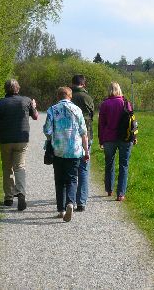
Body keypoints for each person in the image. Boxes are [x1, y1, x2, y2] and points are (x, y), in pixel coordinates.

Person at [0, 79, 38, 211]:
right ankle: (21, 192)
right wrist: (34, 106)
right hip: (22, 139)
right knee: (20, 166)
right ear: (18, 88)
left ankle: (9, 198)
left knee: (7, 167)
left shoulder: (0, 103)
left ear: (5, 89)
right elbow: (36, 117)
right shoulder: (26, 101)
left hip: (5, 140)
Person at [43, 86, 89, 222]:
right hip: (74, 151)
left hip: (58, 150)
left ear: (58, 96)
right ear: (70, 96)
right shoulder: (77, 110)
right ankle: (70, 202)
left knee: (59, 180)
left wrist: (51, 139)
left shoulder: (52, 110)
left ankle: (61, 210)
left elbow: (47, 130)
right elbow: (83, 133)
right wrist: (86, 151)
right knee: (72, 179)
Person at [98, 82, 135, 201]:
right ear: (119, 90)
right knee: (124, 165)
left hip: (109, 138)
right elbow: (132, 122)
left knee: (109, 163)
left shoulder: (104, 104)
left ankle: (109, 189)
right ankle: (121, 194)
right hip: (125, 138)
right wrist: (133, 137)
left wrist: (101, 140)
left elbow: (101, 124)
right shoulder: (126, 102)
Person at [70, 74, 94, 212]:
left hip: (70, 137)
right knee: (83, 169)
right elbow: (92, 115)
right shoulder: (88, 97)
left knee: (71, 169)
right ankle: (82, 202)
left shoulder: (68, 96)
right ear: (83, 84)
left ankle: (70, 200)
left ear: (72, 83)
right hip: (86, 135)